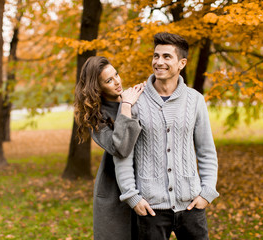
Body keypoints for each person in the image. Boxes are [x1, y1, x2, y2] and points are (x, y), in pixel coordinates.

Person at [113, 32, 220, 240]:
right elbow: (123, 154)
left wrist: (207, 192)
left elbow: (206, 151)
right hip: (150, 208)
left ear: (182, 63)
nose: (158, 62)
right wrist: (132, 197)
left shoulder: (195, 100)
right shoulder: (134, 100)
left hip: (191, 206)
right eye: (156, 56)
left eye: (166, 57)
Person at [74, 56, 144, 240]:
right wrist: (127, 106)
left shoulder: (135, 97)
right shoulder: (95, 116)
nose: (117, 81)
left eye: (116, 74)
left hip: (146, 181)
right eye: (109, 80)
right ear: (97, 87)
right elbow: (120, 147)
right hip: (113, 189)